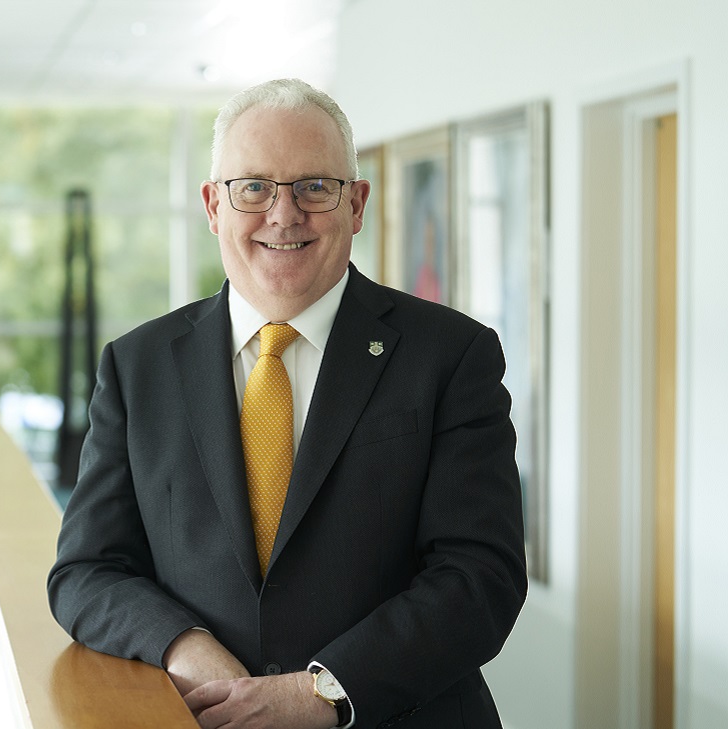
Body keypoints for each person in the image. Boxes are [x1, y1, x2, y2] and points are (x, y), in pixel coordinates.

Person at [47, 78, 527, 729]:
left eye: (314, 186)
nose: (283, 213)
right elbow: (86, 570)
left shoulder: (452, 355)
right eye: (253, 188)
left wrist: (327, 691)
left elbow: (481, 575)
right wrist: (185, 646)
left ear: (356, 203)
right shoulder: (137, 367)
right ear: (213, 205)